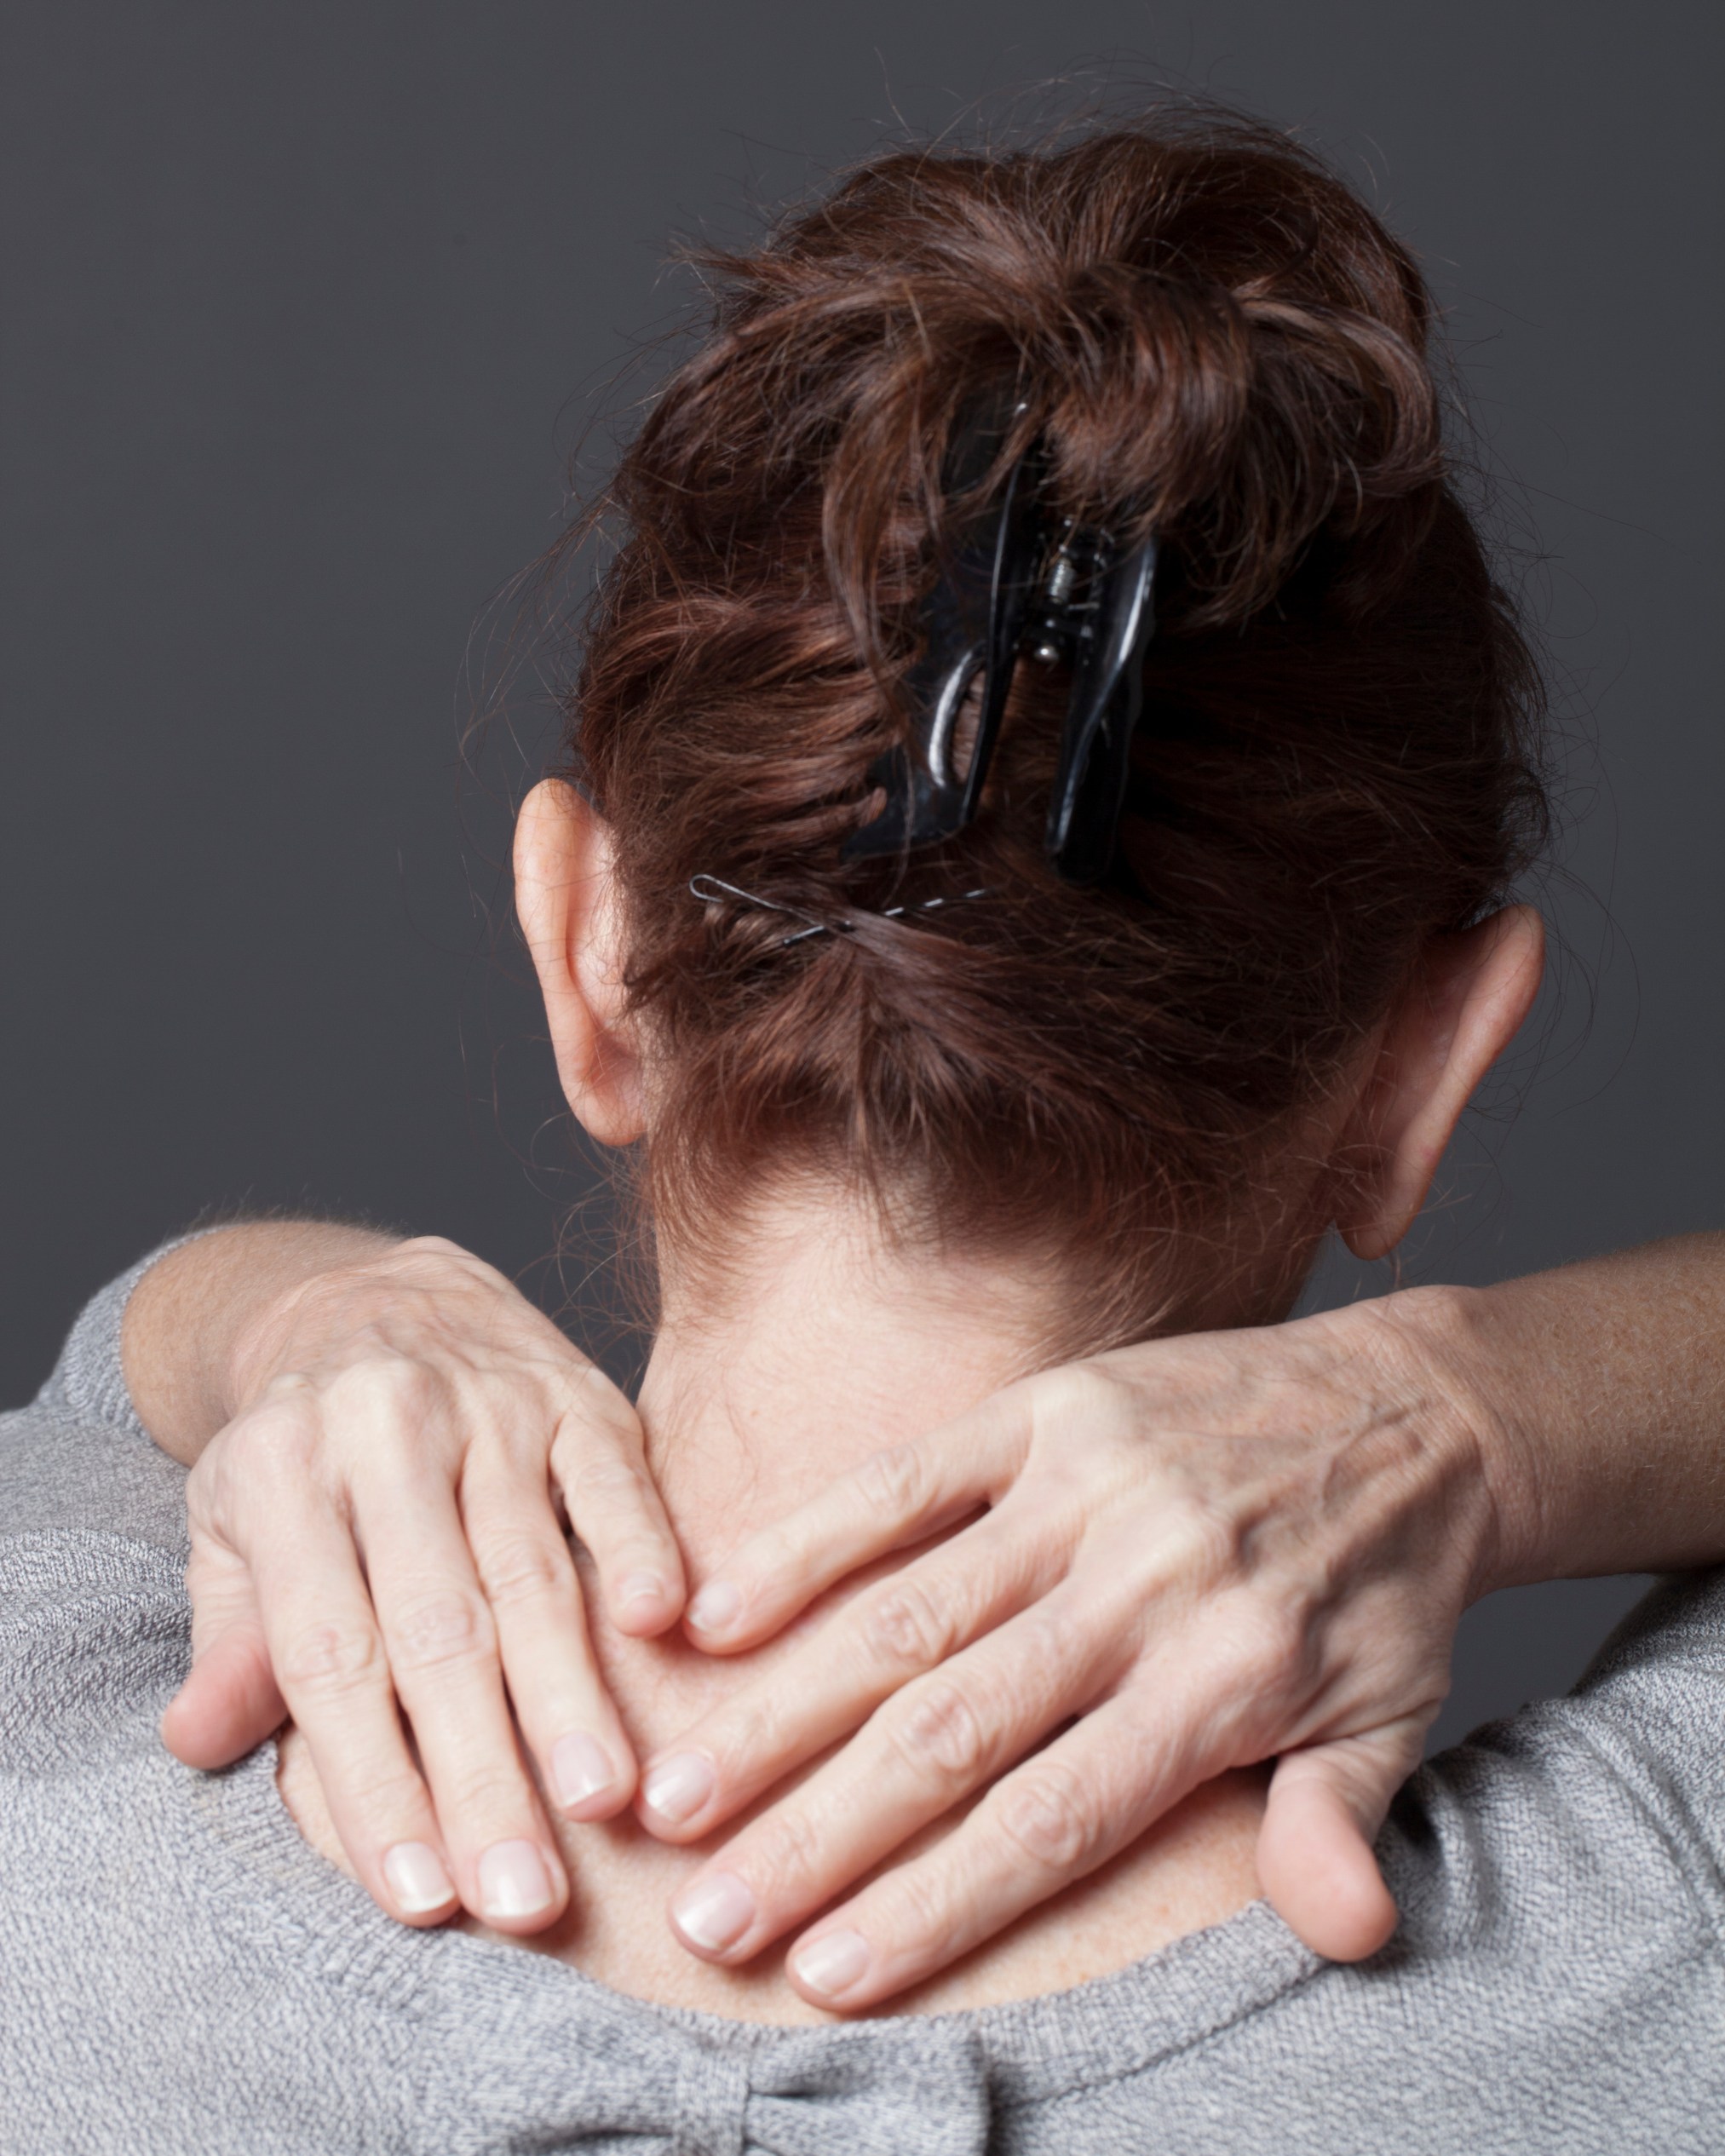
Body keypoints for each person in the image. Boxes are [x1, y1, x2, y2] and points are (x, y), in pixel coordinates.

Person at [5, 106, 1724, 2151]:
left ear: (586, 953)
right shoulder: (1653, 1955)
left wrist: (300, 1319)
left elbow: (106, 1394)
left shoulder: (47, 1747)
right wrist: (1465, 1415)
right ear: (1418, 1074)